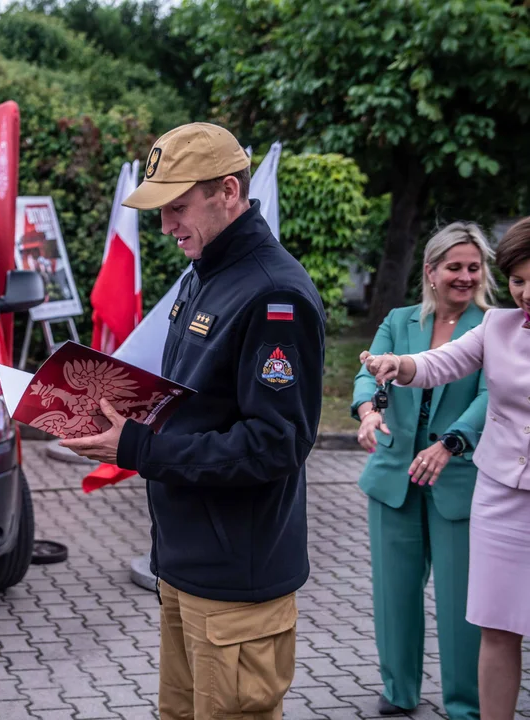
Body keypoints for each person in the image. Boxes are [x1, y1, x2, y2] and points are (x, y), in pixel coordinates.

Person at [61, 122, 326, 720]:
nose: (165, 227)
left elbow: (274, 445)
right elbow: (190, 402)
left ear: (229, 191)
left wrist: (138, 447)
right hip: (185, 560)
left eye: (177, 207)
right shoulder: (205, 275)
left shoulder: (272, 294)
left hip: (236, 577)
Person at [360, 217, 530, 720]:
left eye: (473, 267)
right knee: (485, 616)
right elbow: (437, 363)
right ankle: (401, 689)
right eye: (519, 281)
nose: (525, 292)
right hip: (474, 487)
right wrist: (393, 370)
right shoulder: (495, 326)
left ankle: (465, 705)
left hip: (459, 476)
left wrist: (451, 443)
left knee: (465, 607)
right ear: (430, 271)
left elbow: (483, 398)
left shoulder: (487, 317)